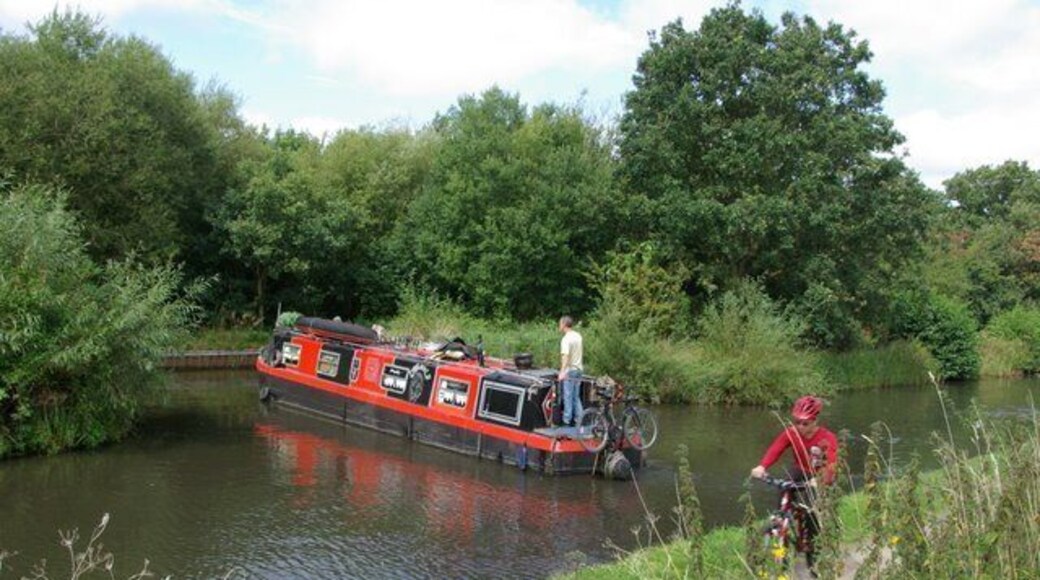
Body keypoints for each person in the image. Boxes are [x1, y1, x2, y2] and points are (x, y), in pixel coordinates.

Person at [750, 395, 838, 572]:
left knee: (810, 511)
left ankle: (813, 553)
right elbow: (777, 448)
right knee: (785, 486)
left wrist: (820, 479)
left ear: (815, 420)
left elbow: (833, 464)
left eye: (805, 423)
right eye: (797, 422)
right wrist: (762, 466)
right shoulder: (792, 433)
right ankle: (781, 524)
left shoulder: (827, 437)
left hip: (818, 477)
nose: (800, 426)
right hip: (800, 471)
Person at [557, 316, 584, 426]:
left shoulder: (566, 339)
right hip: (579, 369)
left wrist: (562, 372)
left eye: (560, 324)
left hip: (570, 371)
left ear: (564, 324)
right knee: (576, 396)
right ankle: (579, 419)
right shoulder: (578, 336)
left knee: (567, 396)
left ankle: (566, 421)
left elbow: (565, 357)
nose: (559, 326)